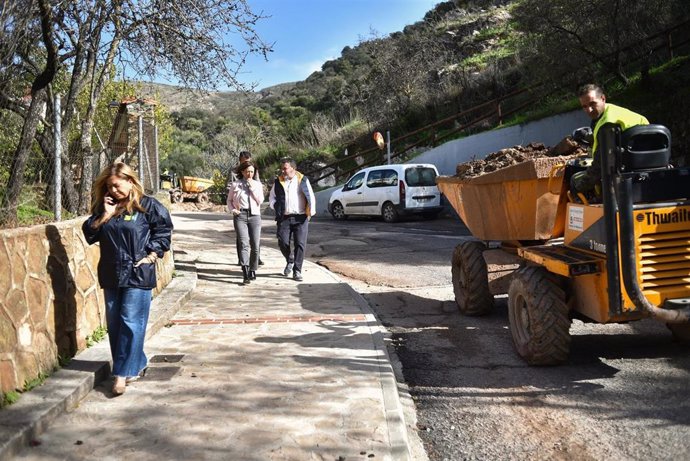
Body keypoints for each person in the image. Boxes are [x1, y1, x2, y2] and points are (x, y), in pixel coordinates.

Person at [82, 162, 173, 396]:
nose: (113, 191)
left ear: (130, 181)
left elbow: (163, 231)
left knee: (131, 321)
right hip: (111, 273)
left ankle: (121, 374)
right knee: (115, 324)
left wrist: (152, 255)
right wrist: (106, 215)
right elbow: (90, 233)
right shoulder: (107, 206)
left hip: (138, 272)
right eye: (109, 187)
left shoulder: (148, 206)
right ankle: (137, 362)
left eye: (117, 185)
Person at [570, 83, 649, 200]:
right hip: (643, 168)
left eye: (592, 104)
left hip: (621, 177)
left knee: (575, 180)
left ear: (603, 98)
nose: (589, 110)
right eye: (584, 106)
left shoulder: (607, 124)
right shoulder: (616, 112)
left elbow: (601, 164)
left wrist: (583, 184)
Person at [269, 157, 316, 282]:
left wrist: (310, 212)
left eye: (285, 168)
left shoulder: (303, 180)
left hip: (301, 217)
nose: (283, 171)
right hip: (284, 217)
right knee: (283, 242)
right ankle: (289, 260)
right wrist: (276, 207)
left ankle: (297, 270)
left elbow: (310, 195)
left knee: (300, 244)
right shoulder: (278, 182)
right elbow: (272, 198)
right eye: (282, 168)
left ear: (293, 169)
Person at [227, 159, 264, 284]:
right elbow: (229, 200)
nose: (250, 174)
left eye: (252, 172)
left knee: (255, 245)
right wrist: (233, 210)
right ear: (242, 172)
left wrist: (252, 188)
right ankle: (245, 270)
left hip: (255, 216)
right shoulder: (235, 185)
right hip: (240, 215)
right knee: (244, 243)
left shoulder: (258, 185)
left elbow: (260, 200)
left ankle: (253, 269)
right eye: (247, 171)